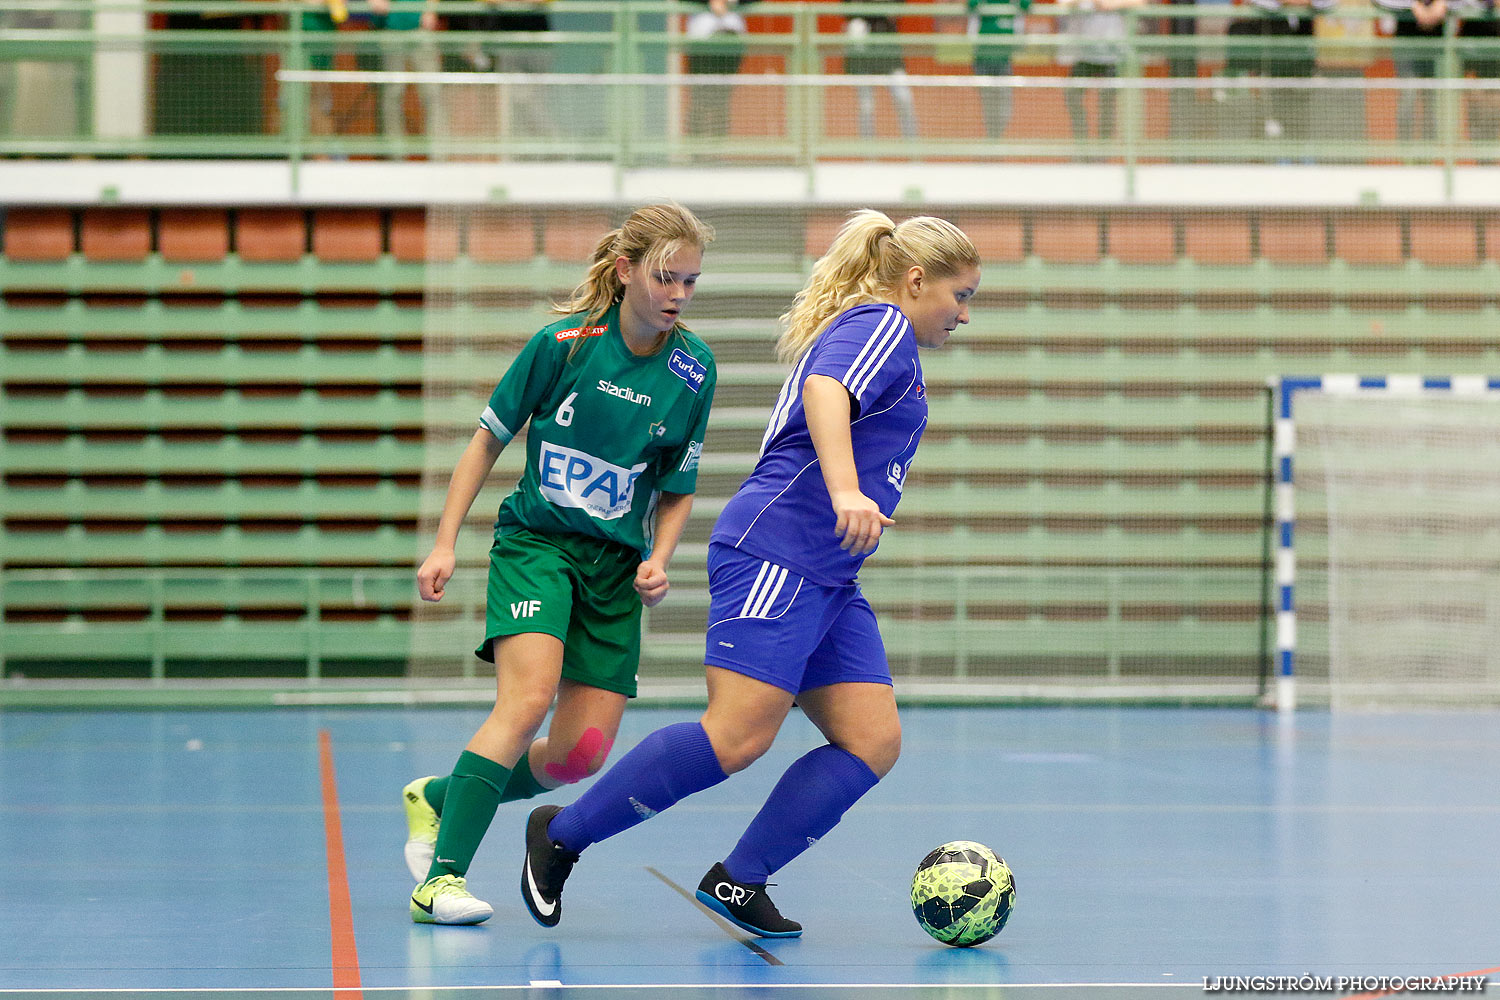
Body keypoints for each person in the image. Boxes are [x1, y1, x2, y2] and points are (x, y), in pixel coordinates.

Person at [518, 210, 981, 939]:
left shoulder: (893, 341)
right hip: (779, 554)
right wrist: (845, 490)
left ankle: (740, 878)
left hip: (830, 575)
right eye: (960, 296)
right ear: (916, 280)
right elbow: (825, 391)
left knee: (872, 740)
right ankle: (562, 832)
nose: (963, 314)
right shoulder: (881, 325)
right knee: (735, 737)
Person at [403, 203, 718, 925]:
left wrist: (660, 560)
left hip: (613, 571)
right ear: (625, 270)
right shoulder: (563, 346)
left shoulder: (693, 369)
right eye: (666, 277)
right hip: (538, 547)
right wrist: (446, 540)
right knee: (525, 700)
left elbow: (678, 489)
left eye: (691, 282)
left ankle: (441, 797)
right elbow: (485, 443)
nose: (677, 294)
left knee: (581, 755)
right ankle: (441, 880)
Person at [1055, 0, 1147, 144]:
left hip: (1113, 57)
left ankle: (1104, 147)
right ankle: (1082, 143)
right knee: (1071, 95)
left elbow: (1141, 3)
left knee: (1107, 101)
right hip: (1085, 55)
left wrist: (1110, 4)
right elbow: (1061, 5)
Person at [844, 0, 920, 139]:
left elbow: (896, 8)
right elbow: (848, 10)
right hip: (862, 54)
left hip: (889, 52)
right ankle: (868, 155)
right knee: (866, 106)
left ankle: (913, 149)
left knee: (904, 98)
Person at [968, 0, 1032, 140]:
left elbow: (1027, 5)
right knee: (988, 103)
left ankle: (997, 137)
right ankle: (992, 138)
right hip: (982, 58)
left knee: (1004, 104)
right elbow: (971, 4)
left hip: (1004, 60)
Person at [685, 0, 750, 138]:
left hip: (731, 42)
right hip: (701, 44)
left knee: (722, 98)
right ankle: (696, 150)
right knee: (700, 98)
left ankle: (719, 150)